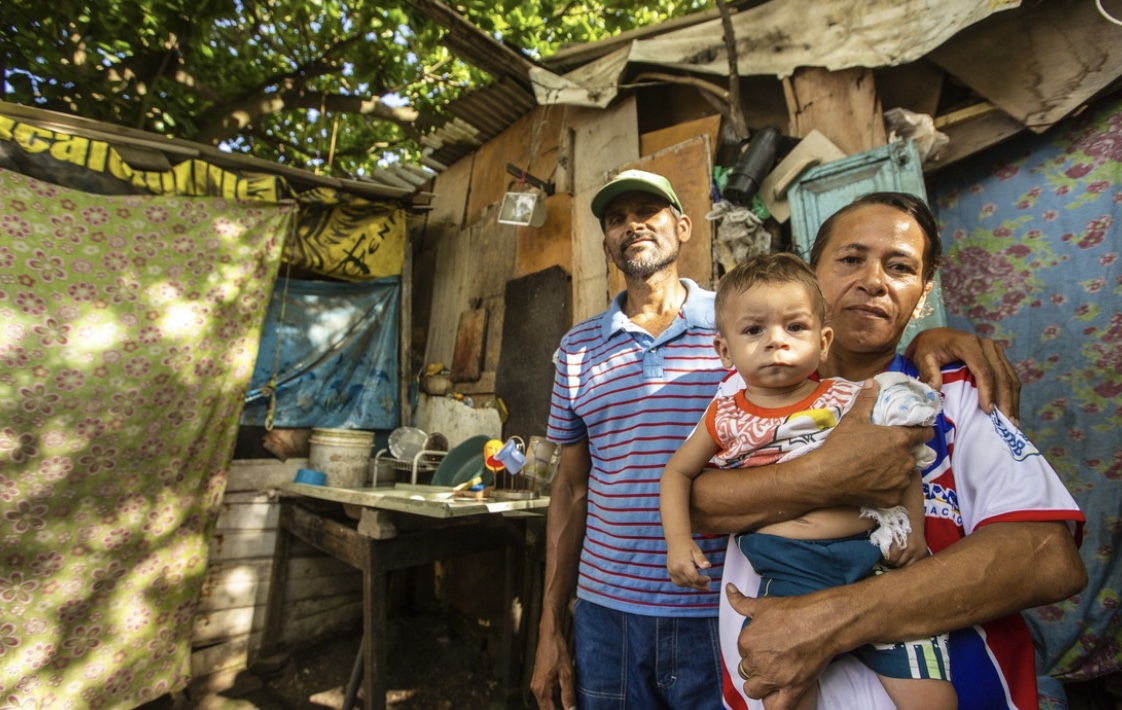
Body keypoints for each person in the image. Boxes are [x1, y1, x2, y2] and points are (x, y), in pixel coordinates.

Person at [529, 170, 1023, 710]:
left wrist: (930, 337)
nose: (633, 226)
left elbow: (851, 368)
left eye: (649, 211)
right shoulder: (580, 347)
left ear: (684, 225)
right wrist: (550, 623)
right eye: (617, 218)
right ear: (605, 239)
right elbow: (573, 487)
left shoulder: (755, 314)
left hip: (719, 602)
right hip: (608, 607)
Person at [687, 192, 1087, 710]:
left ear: (921, 296)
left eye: (899, 267)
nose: (874, 281)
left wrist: (831, 619)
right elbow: (698, 500)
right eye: (851, 259)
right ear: (811, 275)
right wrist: (831, 473)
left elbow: (1049, 558)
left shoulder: (957, 393)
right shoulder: (745, 394)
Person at [660, 252, 955, 710]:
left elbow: (904, 465)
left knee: (935, 699)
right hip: (788, 570)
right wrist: (678, 543)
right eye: (754, 330)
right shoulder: (725, 414)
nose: (776, 341)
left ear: (823, 341)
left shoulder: (852, 398)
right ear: (724, 351)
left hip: (872, 566)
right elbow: (677, 473)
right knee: (783, 694)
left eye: (794, 327)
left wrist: (911, 530)